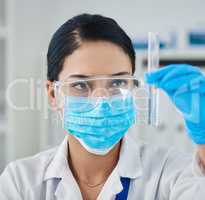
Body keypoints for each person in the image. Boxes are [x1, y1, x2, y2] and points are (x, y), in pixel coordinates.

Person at [0, 13, 205, 200]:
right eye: (81, 85)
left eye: (117, 83)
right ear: (53, 94)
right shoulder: (21, 182)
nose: (102, 102)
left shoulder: (170, 173)